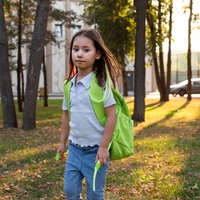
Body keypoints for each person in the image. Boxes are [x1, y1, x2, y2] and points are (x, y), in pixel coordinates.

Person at [56, 28, 120, 200]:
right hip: (75, 149)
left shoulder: (101, 84)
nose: (79, 54)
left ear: (97, 54)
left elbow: (112, 116)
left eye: (86, 50)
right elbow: (65, 115)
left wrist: (104, 147)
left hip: (95, 151)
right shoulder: (69, 85)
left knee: (94, 194)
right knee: (69, 190)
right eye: (76, 49)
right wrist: (62, 142)